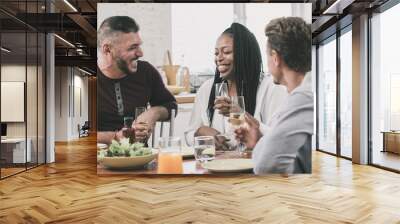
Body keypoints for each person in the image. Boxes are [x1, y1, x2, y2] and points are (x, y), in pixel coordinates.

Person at [185, 23, 287, 150]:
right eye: (216, 53)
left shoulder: (270, 88)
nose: (219, 58)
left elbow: (282, 139)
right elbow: (189, 135)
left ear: (244, 55)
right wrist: (200, 132)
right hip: (218, 166)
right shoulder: (207, 89)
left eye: (226, 52)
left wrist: (241, 116)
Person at [235, 17, 313, 174]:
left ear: (275, 58)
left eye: (267, 56)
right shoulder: (302, 94)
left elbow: (265, 167)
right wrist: (258, 141)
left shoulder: (303, 98)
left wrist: (260, 147)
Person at [97, 16, 177, 144]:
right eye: (132, 47)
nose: (140, 53)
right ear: (107, 49)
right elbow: (80, 133)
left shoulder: (146, 71)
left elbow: (171, 106)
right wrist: (114, 137)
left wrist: (153, 113)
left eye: (139, 46)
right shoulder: (87, 78)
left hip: (140, 159)